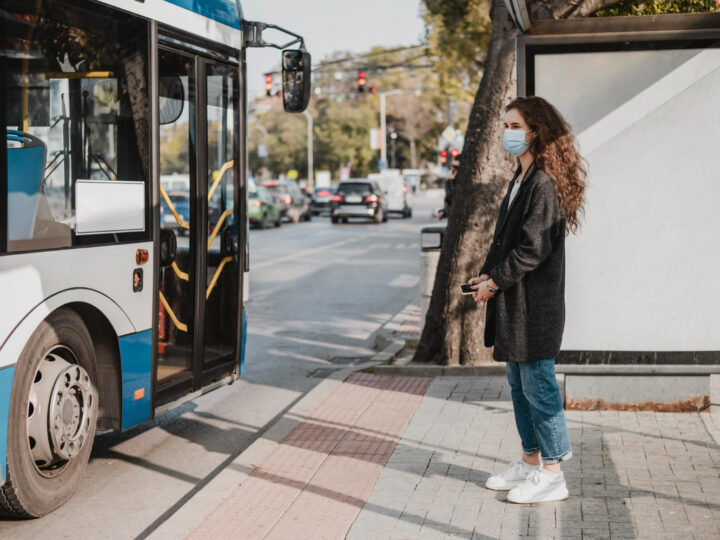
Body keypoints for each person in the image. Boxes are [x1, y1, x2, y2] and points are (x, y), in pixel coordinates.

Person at [467, 96, 586, 504]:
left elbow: (533, 249)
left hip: (535, 307)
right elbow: (505, 242)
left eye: (515, 126)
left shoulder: (544, 183)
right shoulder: (520, 179)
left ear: (536, 131)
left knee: (539, 385)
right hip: (515, 305)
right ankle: (530, 461)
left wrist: (495, 283)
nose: (508, 133)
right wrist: (486, 274)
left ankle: (553, 472)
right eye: (507, 125)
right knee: (519, 384)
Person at [437, 153, 460, 220]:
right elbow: (450, 204)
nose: (453, 170)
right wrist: (443, 212)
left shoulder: (458, 183)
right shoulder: (452, 181)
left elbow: (452, 200)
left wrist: (450, 182)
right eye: (452, 166)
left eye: (456, 168)